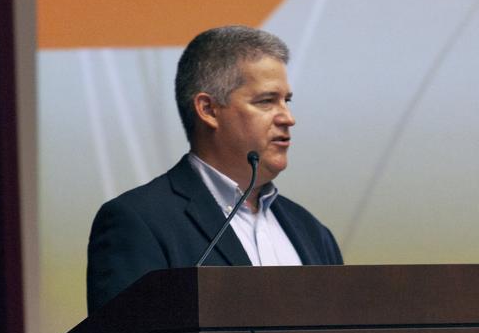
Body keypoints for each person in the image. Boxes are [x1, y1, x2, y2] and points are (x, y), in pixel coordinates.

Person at [85, 25, 343, 311]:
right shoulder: (139, 223)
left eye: (287, 101)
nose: (288, 118)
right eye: (267, 101)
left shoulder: (312, 232)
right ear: (208, 109)